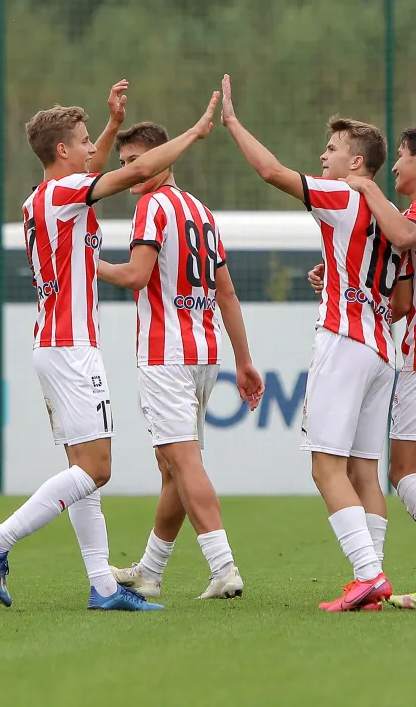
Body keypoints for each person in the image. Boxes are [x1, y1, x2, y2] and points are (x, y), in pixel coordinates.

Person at [0, 85, 221, 612]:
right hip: (70, 347)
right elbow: (128, 174)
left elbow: (102, 166)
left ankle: (104, 588)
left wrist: (108, 123)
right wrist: (194, 134)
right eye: (83, 142)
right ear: (62, 152)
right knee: (97, 468)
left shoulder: (45, 196)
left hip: (56, 344)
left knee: (84, 473)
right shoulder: (63, 196)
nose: (92, 150)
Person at [220, 73, 396, 611]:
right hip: (380, 348)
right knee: (364, 471)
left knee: (326, 466)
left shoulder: (343, 196)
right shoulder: (383, 211)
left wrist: (232, 122)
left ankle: (367, 575)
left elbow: (270, 171)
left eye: (334, 149)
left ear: (357, 165)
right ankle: (375, 574)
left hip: (344, 341)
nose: (323, 156)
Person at [306, 123, 416, 610]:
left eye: (403, 157)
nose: (397, 167)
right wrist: (342, 273)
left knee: (404, 472)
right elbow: (400, 297)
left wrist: (364, 185)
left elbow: (405, 237)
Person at [95, 121, 265, 602]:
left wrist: (86, 263)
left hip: (165, 354)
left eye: (134, 161)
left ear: (165, 157)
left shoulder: (151, 207)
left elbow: (135, 275)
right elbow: (226, 291)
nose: (129, 172)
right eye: (123, 164)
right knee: (172, 465)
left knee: (182, 461)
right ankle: (150, 571)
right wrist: (244, 359)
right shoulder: (202, 212)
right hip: (204, 353)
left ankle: (223, 566)